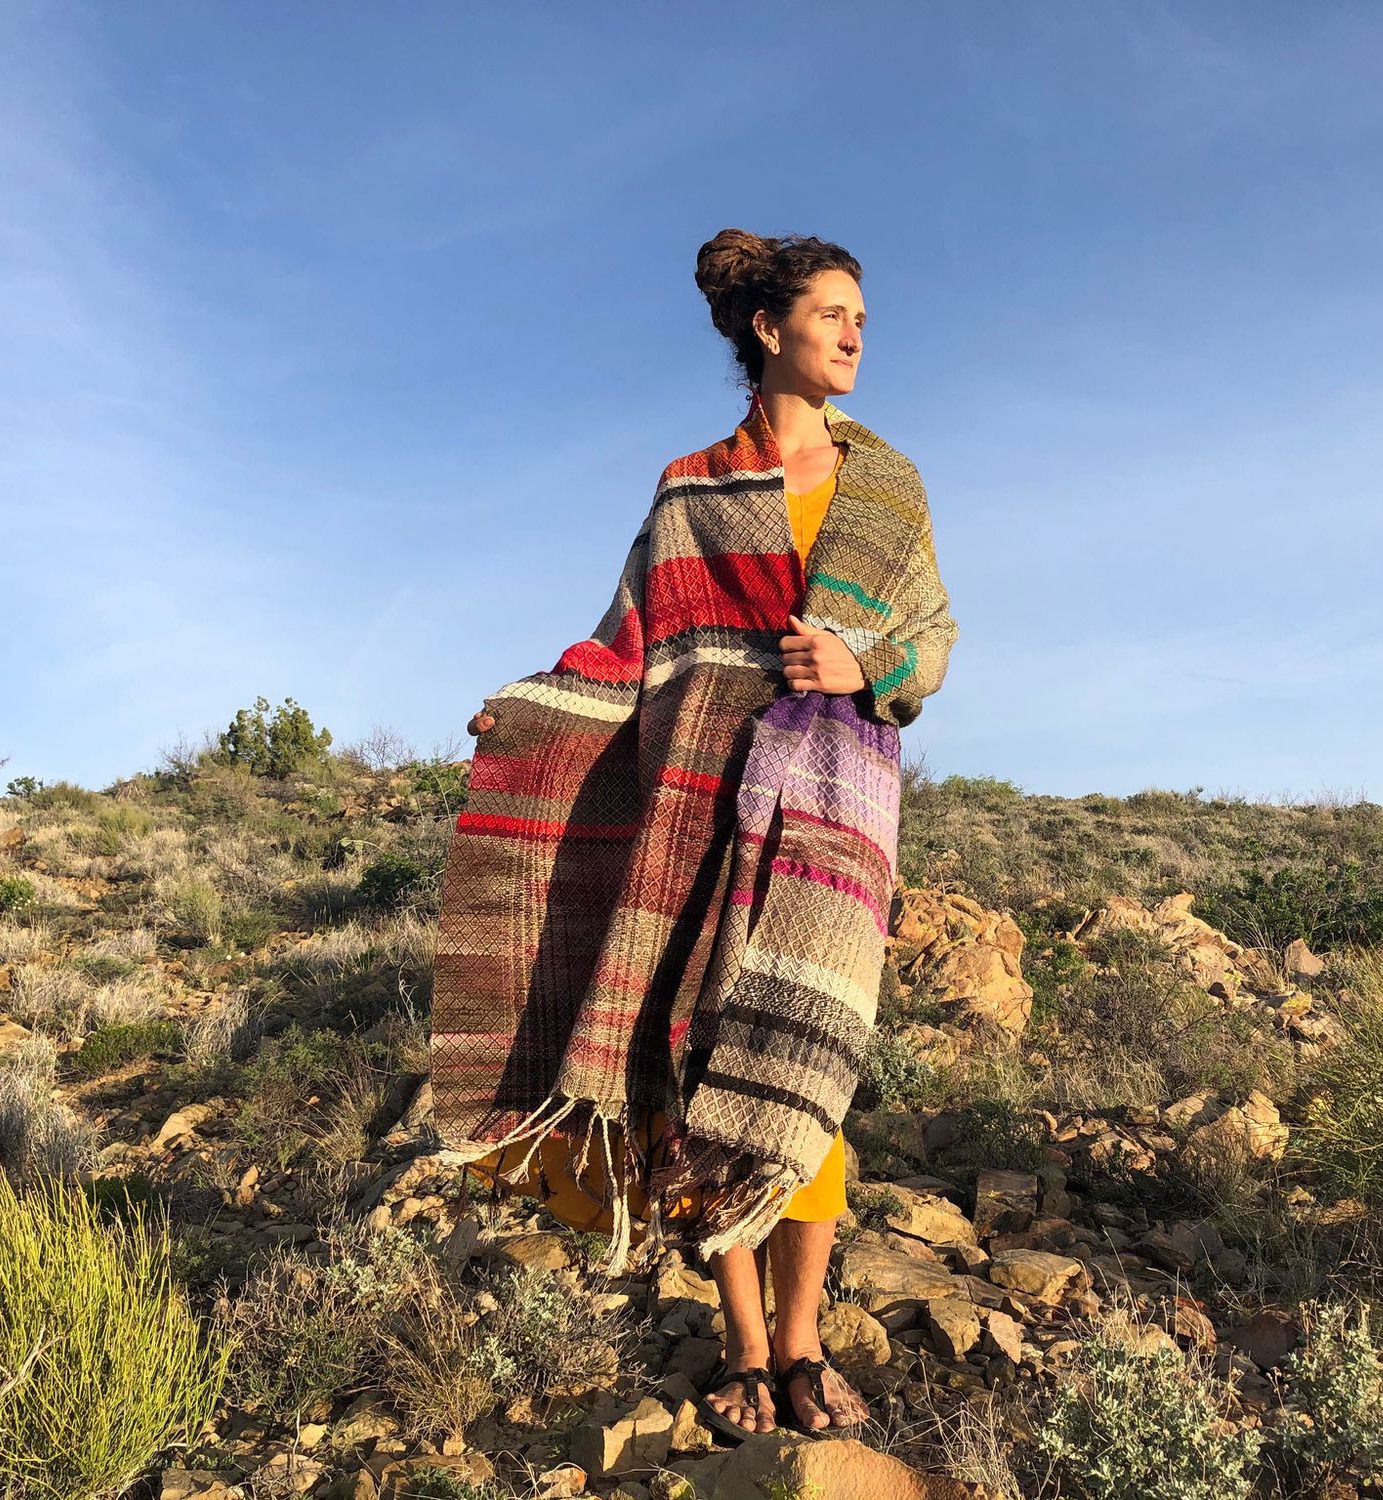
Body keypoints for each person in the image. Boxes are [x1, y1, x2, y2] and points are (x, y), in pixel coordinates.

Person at [456, 230, 952, 1439]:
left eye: (862, 318)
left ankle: (802, 1341)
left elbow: (933, 638)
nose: (854, 335)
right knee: (694, 1070)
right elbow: (626, 637)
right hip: (695, 795)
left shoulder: (888, 485)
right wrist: (529, 709)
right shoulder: (690, 486)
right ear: (767, 331)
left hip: (834, 803)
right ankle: (740, 1346)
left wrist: (863, 659)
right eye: (834, 314)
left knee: (806, 1064)